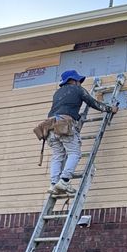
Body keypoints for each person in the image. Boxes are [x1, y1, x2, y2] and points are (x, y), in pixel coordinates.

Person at [45, 69, 115, 197]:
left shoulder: (57, 93)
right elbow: (93, 103)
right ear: (73, 80)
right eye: (78, 80)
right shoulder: (77, 90)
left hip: (50, 126)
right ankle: (64, 181)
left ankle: (54, 184)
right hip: (64, 124)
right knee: (74, 153)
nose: (80, 83)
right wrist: (110, 109)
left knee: (57, 156)